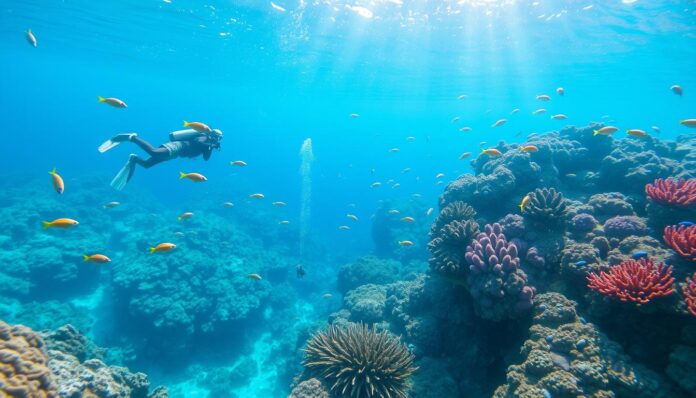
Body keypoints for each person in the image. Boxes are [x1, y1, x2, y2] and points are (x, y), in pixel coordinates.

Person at [99, 128, 222, 190]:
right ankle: (132, 137)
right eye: (217, 137)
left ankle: (134, 158)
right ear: (213, 135)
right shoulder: (204, 136)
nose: (217, 139)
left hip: (175, 154)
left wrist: (211, 147)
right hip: (177, 147)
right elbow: (198, 142)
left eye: (219, 138)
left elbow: (206, 158)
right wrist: (210, 144)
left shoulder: (209, 145)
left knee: (146, 164)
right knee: (153, 152)